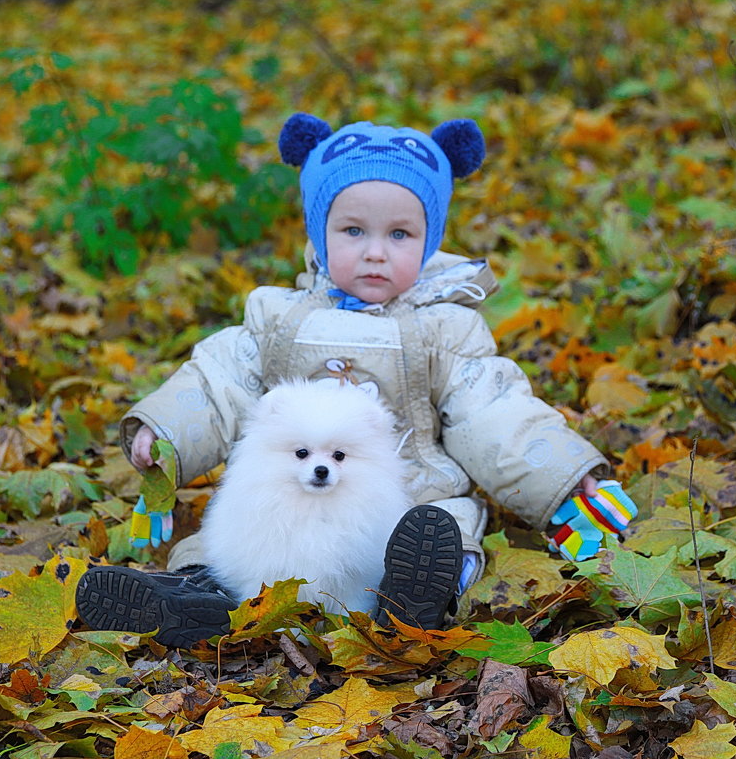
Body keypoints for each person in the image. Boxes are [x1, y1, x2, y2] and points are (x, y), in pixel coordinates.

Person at [74, 113, 637, 648]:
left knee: (443, 532)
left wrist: (565, 476)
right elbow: (218, 383)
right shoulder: (278, 318)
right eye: (352, 230)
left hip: (415, 495)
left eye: (399, 234)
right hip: (283, 498)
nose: (374, 252)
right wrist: (164, 429)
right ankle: (193, 602)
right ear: (319, 233)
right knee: (225, 543)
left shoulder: (444, 328)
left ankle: (414, 596)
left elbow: (494, 413)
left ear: (430, 240)